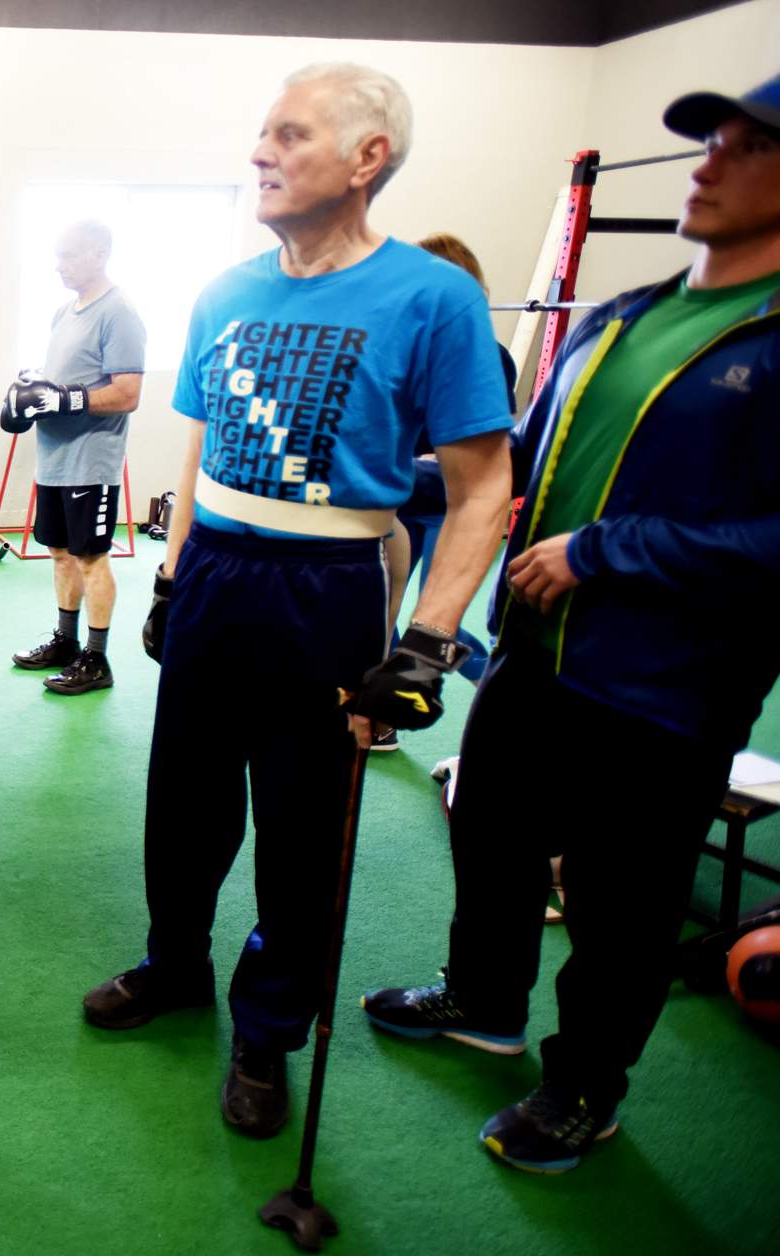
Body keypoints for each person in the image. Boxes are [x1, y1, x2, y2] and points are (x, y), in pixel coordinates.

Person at [362, 65, 780, 1174]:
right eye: (709, 140)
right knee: (490, 830)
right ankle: (480, 999)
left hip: (665, 678)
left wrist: (609, 551)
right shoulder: (626, 313)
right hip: (530, 649)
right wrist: (384, 480)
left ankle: (581, 1087)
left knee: (619, 896)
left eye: (748, 146)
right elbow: (516, 463)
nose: (709, 162)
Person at [80, 63, 514, 1139]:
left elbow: (479, 486)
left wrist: (424, 640)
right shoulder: (225, 290)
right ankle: (173, 961)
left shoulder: (432, 297)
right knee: (180, 803)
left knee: (300, 823)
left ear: (366, 158)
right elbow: (198, 449)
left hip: (329, 588)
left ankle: (268, 1024)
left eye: (287, 133)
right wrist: (172, 572)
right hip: (216, 572)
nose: (258, 152)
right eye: (259, 134)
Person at [370, 231, 519, 751]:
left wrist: (433, 461)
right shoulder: (398, 349)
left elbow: (485, 453)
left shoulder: (489, 357)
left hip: (451, 511)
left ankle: (501, 697)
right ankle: (382, 714)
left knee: (436, 623)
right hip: (399, 502)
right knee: (378, 614)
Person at [2, 220, 146, 695]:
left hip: (93, 460)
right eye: (57, 256)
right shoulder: (64, 312)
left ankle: (96, 659)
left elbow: (127, 393)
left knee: (90, 558)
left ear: (100, 254)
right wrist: (31, 394)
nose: (59, 266)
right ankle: (66, 642)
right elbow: (62, 379)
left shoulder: (119, 312)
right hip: (55, 457)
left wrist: (66, 399)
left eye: (70, 256)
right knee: (60, 554)